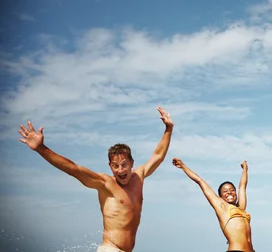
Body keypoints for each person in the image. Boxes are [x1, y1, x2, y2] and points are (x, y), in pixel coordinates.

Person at [17, 106, 174, 252]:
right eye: (116, 166)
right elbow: (74, 169)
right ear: (110, 166)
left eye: (124, 165)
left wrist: (168, 129)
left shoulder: (139, 177)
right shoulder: (106, 183)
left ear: (132, 163)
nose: (120, 170)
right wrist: (41, 149)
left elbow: (158, 155)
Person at [172, 158, 253, 252]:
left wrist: (245, 169)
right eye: (225, 191)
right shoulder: (221, 207)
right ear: (220, 196)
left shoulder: (241, 208)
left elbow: (242, 186)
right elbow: (200, 181)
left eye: (232, 190)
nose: (229, 193)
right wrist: (183, 166)